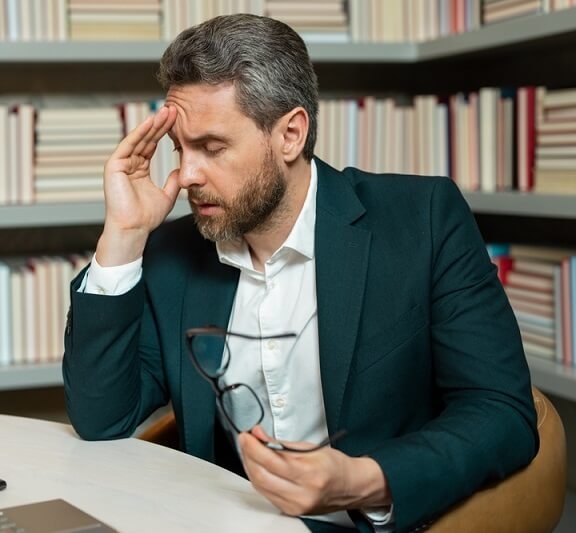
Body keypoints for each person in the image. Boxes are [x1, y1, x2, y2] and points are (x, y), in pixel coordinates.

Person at [62, 13, 538, 533]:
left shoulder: (421, 220)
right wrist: (125, 234)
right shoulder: (173, 253)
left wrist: (363, 480)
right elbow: (102, 417)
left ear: (290, 134)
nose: (187, 176)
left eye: (213, 147)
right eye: (180, 149)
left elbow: (501, 412)